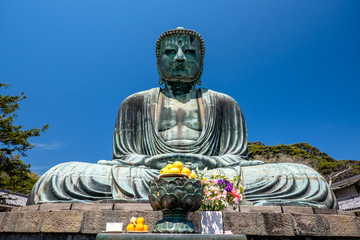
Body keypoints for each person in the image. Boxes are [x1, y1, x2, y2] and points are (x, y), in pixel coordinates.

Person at [27, 28, 337, 209]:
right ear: (158, 60)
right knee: (59, 178)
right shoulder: (134, 103)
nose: (179, 58)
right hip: (147, 178)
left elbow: (237, 158)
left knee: (308, 180)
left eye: (189, 53)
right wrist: (153, 163)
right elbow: (123, 157)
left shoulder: (224, 103)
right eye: (170, 53)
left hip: (215, 177)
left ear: (201, 62)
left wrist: (205, 165)